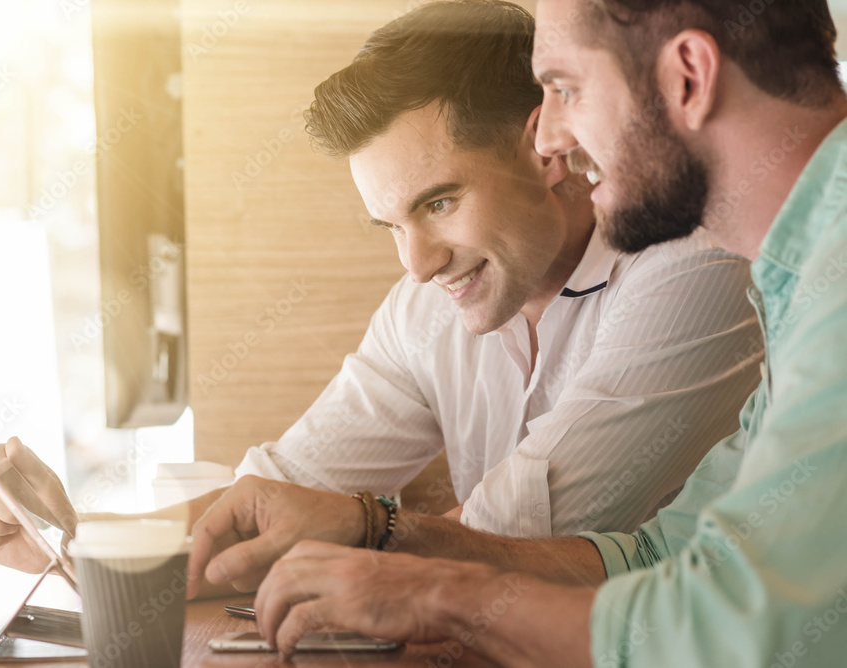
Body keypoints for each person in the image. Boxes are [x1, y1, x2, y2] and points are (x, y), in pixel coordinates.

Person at [0, 1, 761, 576]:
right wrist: (79, 544)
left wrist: (350, 531)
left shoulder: (693, 269)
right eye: (390, 226)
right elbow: (277, 492)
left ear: (546, 147)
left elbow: (522, 535)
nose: (416, 264)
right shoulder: (425, 311)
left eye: (438, 203)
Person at [201, 0, 847, 666]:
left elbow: (735, 632)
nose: (550, 140)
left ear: (688, 75)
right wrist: (383, 535)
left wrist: (444, 595)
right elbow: (663, 557)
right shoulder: (800, 278)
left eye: (566, 91)